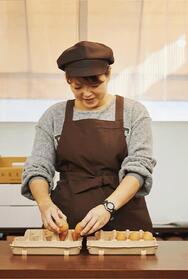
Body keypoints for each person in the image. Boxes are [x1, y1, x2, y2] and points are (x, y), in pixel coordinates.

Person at [21, 41, 156, 236]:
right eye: (78, 86)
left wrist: (108, 207)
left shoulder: (133, 112)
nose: (86, 93)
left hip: (124, 218)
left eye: (95, 84)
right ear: (68, 81)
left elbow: (140, 166)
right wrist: (45, 204)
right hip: (68, 221)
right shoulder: (54, 115)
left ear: (108, 74)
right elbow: (38, 167)